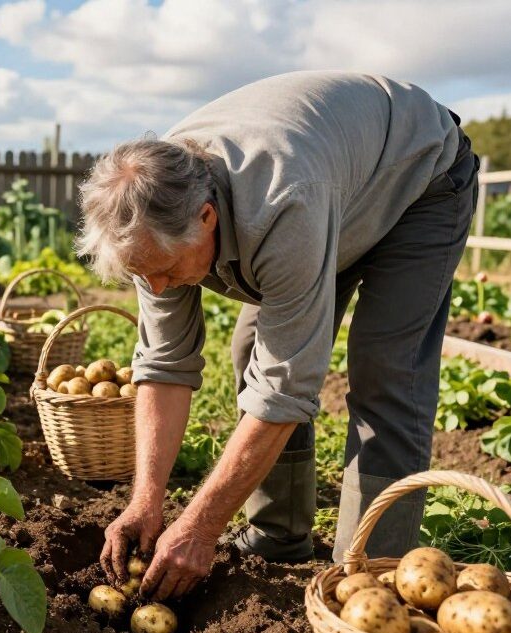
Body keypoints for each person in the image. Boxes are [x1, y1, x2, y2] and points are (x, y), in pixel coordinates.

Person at [76, 71, 479, 600]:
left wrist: (199, 526)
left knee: (387, 374)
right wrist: (145, 501)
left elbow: (285, 388)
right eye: (140, 273)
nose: (156, 286)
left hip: (417, 183)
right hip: (335, 187)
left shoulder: (282, 199)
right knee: (250, 349)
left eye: (165, 269)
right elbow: (165, 362)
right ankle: (278, 535)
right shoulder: (155, 215)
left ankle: (368, 577)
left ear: (206, 217)